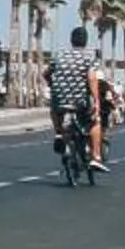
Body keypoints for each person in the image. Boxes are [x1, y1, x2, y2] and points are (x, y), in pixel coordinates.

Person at [46, 25, 109, 172]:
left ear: (71, 40)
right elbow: (92, 78)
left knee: (55, 110)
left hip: (60, 97)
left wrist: (52, 84)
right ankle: (96, 157)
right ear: (86, 41)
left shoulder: (59, 54)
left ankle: (59, 133)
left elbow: (46, 73)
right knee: (95, 122)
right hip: (80, 98)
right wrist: (96, 101)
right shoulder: (89, 56)